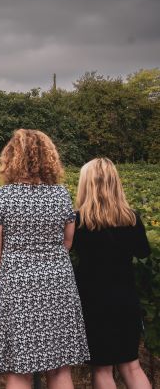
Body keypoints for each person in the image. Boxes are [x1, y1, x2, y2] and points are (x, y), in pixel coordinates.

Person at [0, 129, 89, 389]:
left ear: (10, 157)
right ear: (48, 158)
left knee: (19, 370)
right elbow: (67, 242)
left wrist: (4, 277)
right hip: (57, 283)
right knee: (59, 367)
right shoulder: (61, 195)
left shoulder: (1, 198)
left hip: (16, 284)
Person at [72, 158, 152, 389]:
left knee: (102, 368)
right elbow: (143, 252)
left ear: (86, 184)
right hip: (125, 298)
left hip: (92, 301)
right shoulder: (132, 218)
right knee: (131, 365)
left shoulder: (78, 220)